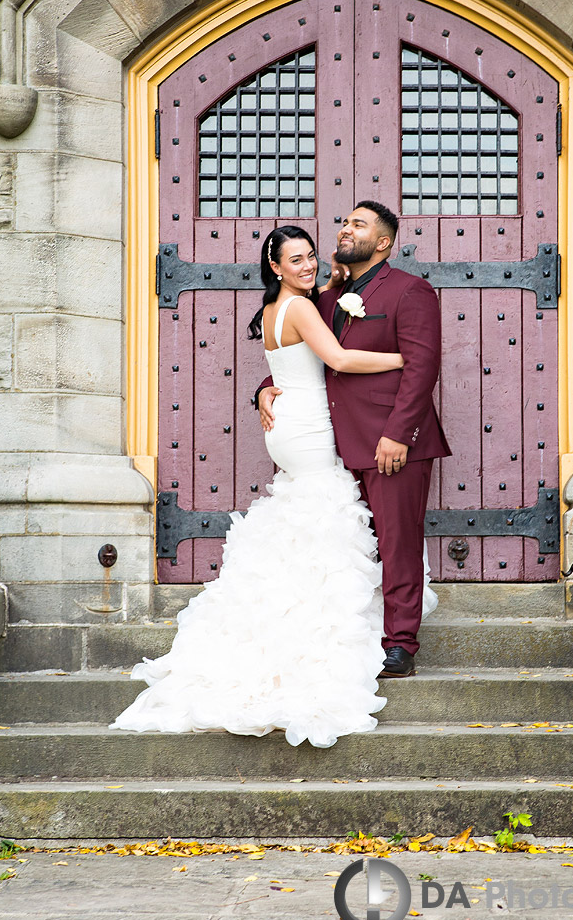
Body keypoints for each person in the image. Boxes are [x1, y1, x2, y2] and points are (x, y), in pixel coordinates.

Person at [111, 224, 411, 748]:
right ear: (275, 266)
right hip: (309, 428)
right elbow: (338, 361)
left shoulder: (276, 309)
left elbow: (289, 366)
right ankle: (313, 627)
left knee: (304, 514)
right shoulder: (298, 308)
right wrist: (402, 358)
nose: (307, 265)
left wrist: (265, 390)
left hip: (291, 423)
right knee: (324, 513)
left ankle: (287, 612)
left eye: (311, 255)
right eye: (295, 259)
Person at [258, 201, 451, 679]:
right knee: (353, 548)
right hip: (336, 446)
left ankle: (400, 645)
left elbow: (422, 368)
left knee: (398, 543)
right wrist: (264, 390)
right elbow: (303, 360)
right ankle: (353, 635)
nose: (345, 228)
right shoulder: (323, 299)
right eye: (344, 221)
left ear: (382, 243)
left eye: (358, 225)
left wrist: (398, 435)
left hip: (393, 445)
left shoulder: (411, 290)